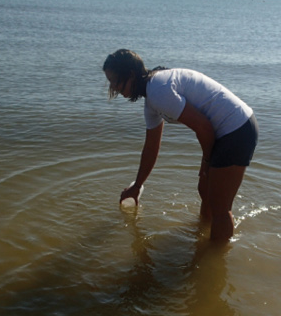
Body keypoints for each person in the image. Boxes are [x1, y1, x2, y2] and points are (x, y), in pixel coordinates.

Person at [103, 49, 258, 242]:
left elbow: (204, 128)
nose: (114, 88)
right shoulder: (152, 99)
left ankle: (214, 262)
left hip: (236, 128)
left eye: (115, 81)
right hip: (229, 130)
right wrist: (137, 186)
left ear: (131, 75)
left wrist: (205, 168)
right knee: (206, 194)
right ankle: (203, 241)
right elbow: (151, 148)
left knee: (220, 207)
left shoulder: (158, 90)